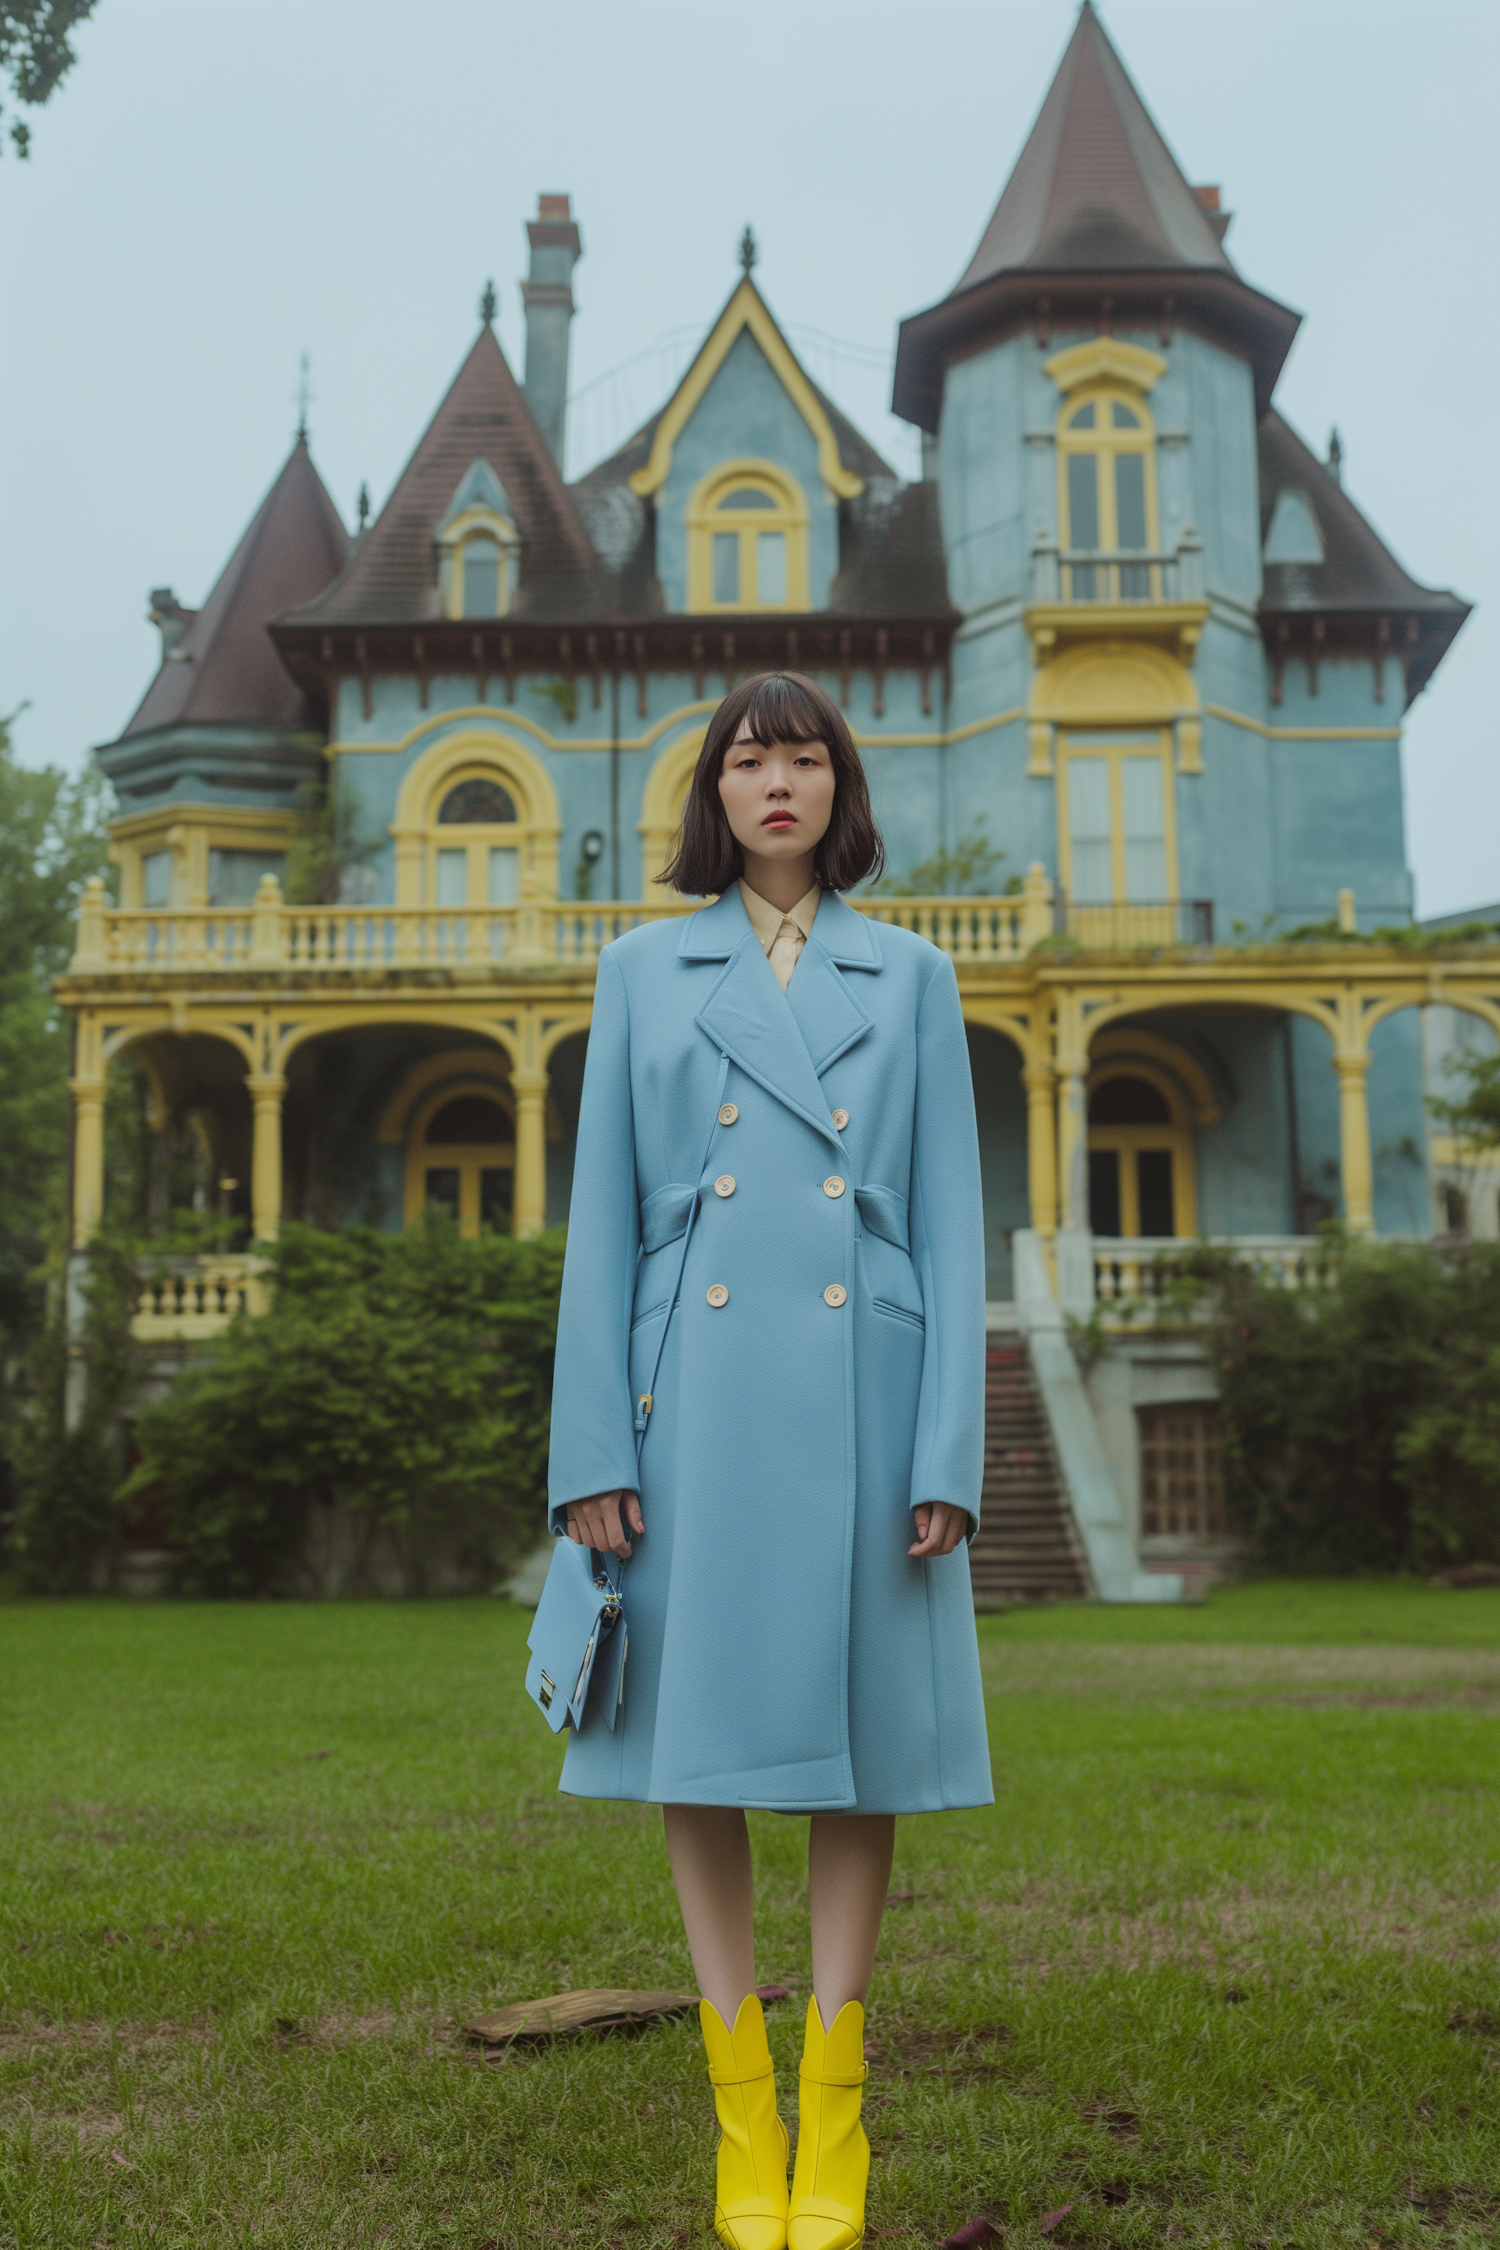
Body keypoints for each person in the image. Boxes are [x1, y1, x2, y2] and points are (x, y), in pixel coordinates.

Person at [545, 671, 992, 2250]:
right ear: (715, 795)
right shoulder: (641, 971)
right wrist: (590, 1445)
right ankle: (745, 2101)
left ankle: (839, 2090)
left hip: (867, 1383)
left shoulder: (918, 975)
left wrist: (951, 1445)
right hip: (696, 1388)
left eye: (806, 756)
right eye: (752, 758)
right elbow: (602, 1217)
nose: (780, 781)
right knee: (703, 1740)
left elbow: (951, 1220)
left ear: (839, 786)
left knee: (860, 1740)